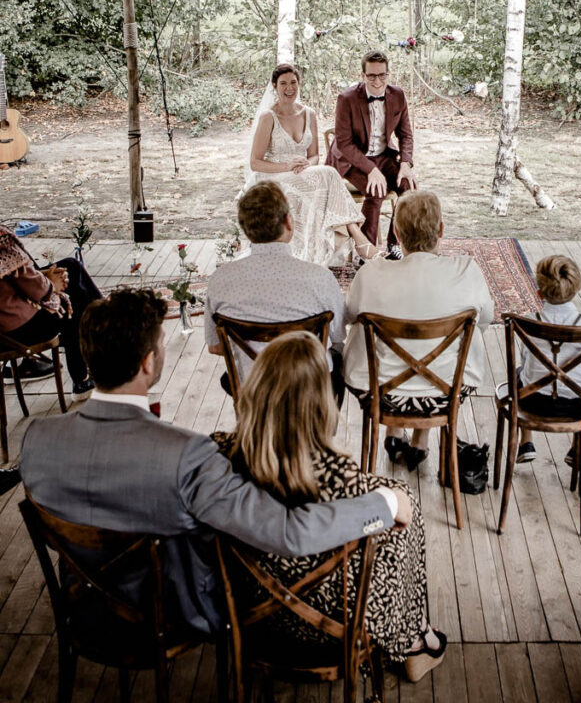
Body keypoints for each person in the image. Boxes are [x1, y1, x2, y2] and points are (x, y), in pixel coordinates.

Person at [19, 288, 410, 638]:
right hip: (169, 616)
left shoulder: (36, 440)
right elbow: (290, 533)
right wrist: (386, 504)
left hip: (81, 613)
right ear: (148, 363)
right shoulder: (186, 455)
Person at [212, 331, 445, 682]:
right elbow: (393, 512)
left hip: (247, 613)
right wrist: (391, 498)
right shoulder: (340, 477)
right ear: (321, 401)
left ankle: (414, 635)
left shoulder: (219, 454)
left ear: (255, 387)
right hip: (331, 630)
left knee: (389, 501)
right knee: (400, 512)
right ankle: (414, 640)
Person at [342, 190, 493, 469]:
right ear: (441, 230)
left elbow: (348, 316)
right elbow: (485, 321)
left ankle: (395, 431)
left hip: (380, 395)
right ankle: (419, 440)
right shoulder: (466, 271)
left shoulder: (371, 274)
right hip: (446, 394)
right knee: (447, 354)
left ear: (397, 234)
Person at [204, 183, 347, 396]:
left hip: (254, 388)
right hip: (309, 387)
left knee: (231, 376)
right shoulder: (320, 278)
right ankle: (318, 426)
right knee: (338, 361)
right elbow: (336, 336)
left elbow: (215, 346)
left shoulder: (220, 280)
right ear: (289, 221)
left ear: (245, 229)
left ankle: (257, 425)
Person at [249, 62, 376, 266]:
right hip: (274, 177)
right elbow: (255, 163)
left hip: (302, 173)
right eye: (283, 83)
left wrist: (306, 164)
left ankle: (349, 238)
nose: (289, 88)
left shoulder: (309, 114)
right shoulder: (268, 117)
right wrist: (287, 166)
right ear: (275, 86)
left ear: (299, 84)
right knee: (329, 174)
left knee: (325, 174)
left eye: (293, 82)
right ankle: (358, 237)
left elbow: (315, 155)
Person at [327, 50, 416, 253]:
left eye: (382, 75)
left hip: (384, 155)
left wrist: (405, 164)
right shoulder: (346, 98)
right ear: (363, 75)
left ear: (388, 74)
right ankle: (366, 251)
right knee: (376, 191)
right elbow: (343, 143)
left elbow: (406, 135)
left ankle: (394, 243)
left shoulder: (398, 95)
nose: (377, 81)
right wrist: (371, 170)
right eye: (372, 75)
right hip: (352, 159)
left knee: (408, 187)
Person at [515, 255, 581, 466]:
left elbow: (526, 361)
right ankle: (578, 446)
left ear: (539, 292)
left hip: (533, 403)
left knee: (519, 374)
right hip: (576, 405)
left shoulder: (528, 322)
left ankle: (526, 441)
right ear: (577, 288)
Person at [0, 223, 101, 395]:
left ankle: (105, 335)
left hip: (4, 333)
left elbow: (14, 277)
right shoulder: (2, 240)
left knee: (71, 267)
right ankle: (82, 377)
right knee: (71, 301)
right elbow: (37, 290)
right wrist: (51, 284)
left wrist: (45, 276)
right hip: (19, 331)